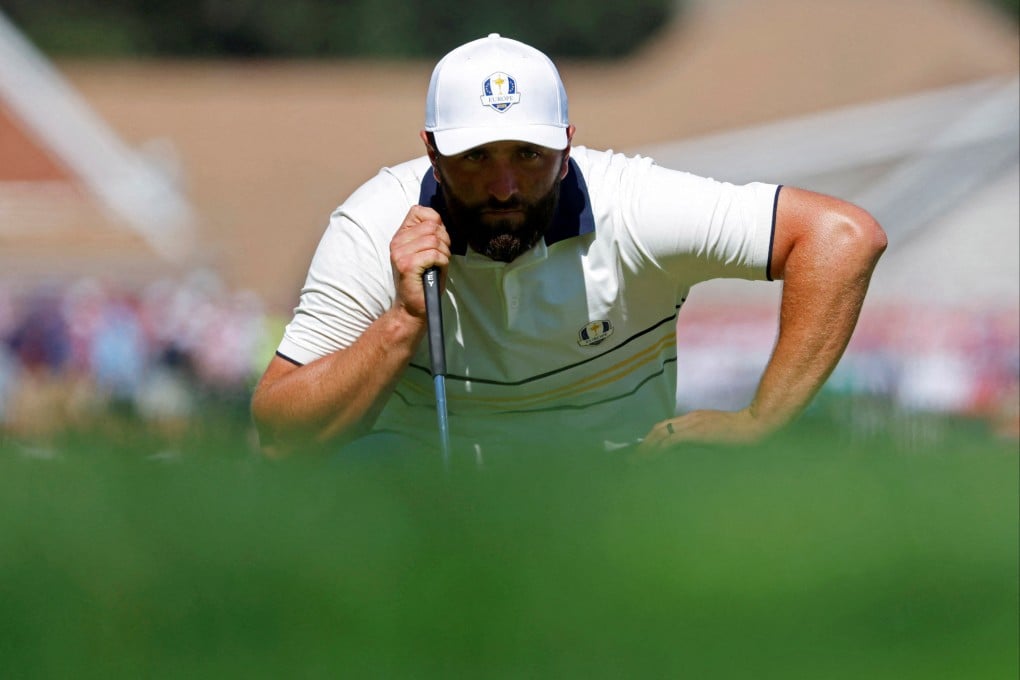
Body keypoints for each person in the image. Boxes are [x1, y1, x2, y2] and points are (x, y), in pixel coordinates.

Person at [251, 33, 887, 458]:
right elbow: (280, 435)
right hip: (427, 517)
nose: (504, 187)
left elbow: (842, 236)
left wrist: (757, 426)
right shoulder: (375, 225)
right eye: (475, 157)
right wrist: (400, 324)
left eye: (528, 154)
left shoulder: (635, 205)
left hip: (613, 516)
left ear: (566, 147)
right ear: (432, 152)